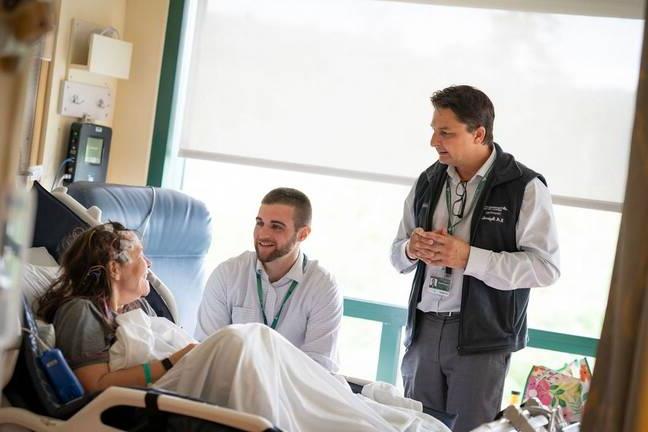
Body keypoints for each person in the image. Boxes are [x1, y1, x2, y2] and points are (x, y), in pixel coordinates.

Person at [37, 222, 449, 432]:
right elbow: (94, 384)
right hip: (158, 395)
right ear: (114, 267)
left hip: (183, 373)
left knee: (258, 341)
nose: (149, 264)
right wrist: (174, 360)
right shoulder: (81, 311)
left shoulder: (136, 307)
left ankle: (363, 417)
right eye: (140, 255)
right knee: (243, 339)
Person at [391, 85, 560, 432]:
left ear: (479, 133)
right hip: (423, 331)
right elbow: (396, 255)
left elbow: (546, 269)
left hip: (481, 339)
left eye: (445, 133)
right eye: (434, 131)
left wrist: (469, 258)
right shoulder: (428, 180)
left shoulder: (524, 187)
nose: (434, 141)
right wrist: (412, 249)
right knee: (415, 427)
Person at [195, 187, 343, 371]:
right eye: (260, 223)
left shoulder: (323, 286)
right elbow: (206, 351)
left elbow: (319, 368)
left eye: (276, 226)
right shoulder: (227, 274)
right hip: (231, 387)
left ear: (303, 234)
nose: (263, 234)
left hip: (295, 394)